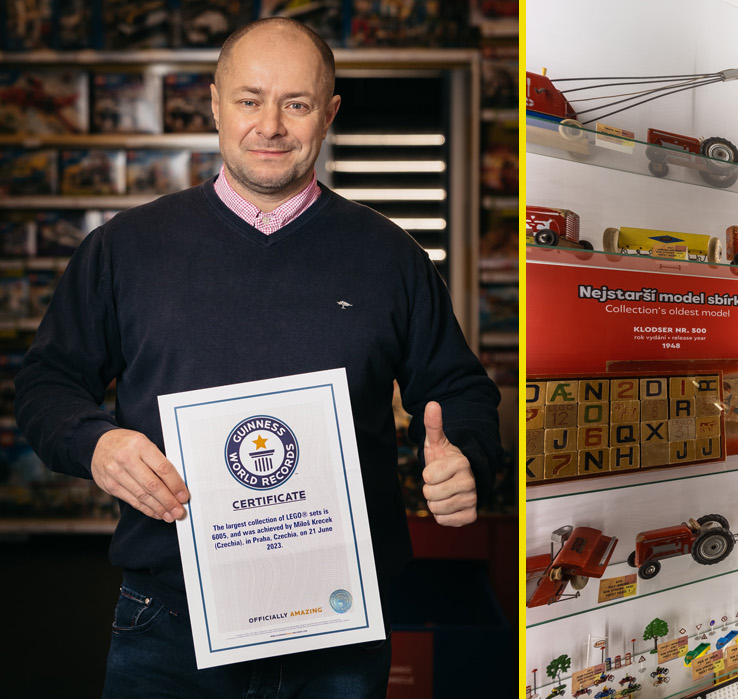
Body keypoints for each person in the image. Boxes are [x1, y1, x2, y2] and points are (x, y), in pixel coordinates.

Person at [14, 17, 500, 697]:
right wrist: (95, 444)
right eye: (249, 100)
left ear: (327, 115)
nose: (270, 124)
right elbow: (46, 383)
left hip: (339, 622)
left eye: (296, 104)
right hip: (170, 619)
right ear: (213, 103)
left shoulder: (390, 257)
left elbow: (461, 388)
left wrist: (465, 456)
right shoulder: (125, 249)